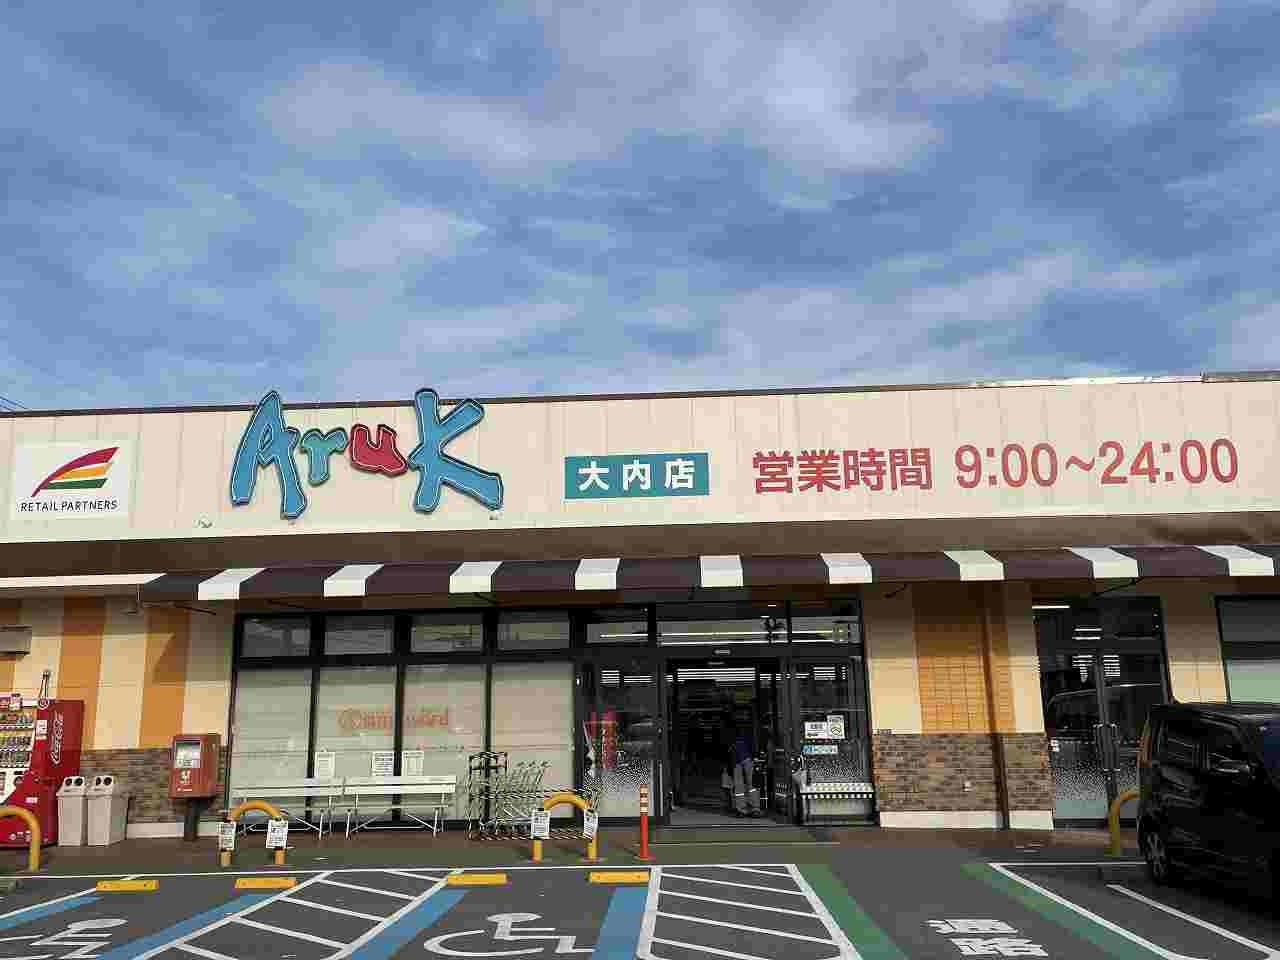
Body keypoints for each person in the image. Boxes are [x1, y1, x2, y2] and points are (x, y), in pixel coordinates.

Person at [730, 727, 760, 816]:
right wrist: (755, 755)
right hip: (746, 757)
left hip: (736, 759)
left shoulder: (731, 734)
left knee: (739, 785)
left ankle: (741, 809)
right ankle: (755, 808)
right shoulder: (748, 732)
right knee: (751, 784)